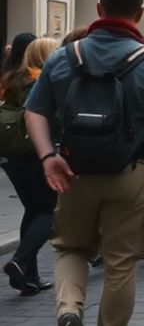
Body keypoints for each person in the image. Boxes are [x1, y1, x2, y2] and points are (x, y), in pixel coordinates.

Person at [24, 0, 144, 326]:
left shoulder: (64, 57)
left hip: (74, 170)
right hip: (133, 174)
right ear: (140, 14)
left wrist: (47, 157)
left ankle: (69, 308)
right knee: (121, 262)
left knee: (71, 247)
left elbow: (33, 110)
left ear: (99, 9)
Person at [1, 36, 60, 296]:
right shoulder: (44, 81)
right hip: (38, 153)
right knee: (48, 210)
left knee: (32, 210)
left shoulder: (10, 79)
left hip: (11, 157)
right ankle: (21, 261)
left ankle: (29, 277)